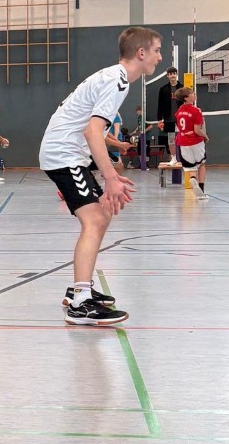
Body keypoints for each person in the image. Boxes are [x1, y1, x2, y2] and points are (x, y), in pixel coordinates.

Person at [39, 27, 163, 326]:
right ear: (141, 53)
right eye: (157, 50)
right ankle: (81, 303)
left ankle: (80, 288)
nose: (160, 57)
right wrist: (111, 177)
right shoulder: (117, 81)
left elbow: (89, 125)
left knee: (102, 215)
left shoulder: (113, 77)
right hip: (64, 154)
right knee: (94, 220)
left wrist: (115, 146)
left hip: (68, 152)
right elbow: (91, 131)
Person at [172, 87, 209, 200]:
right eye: (192, 93)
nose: (194, 94)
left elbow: (179, 127)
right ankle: (201, 190)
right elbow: (197, 130)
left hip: (182, 141)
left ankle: (193, 178)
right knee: (201, 164)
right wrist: (205, 136)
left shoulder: (179, 111)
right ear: (186, 98)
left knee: (190, 167)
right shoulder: (196, 111)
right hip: (195, 141)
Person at [153, 66, 180, 162]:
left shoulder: (182, 88)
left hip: (181, 118)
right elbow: (160, 105)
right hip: (169, 118)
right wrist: (159, 119)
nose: (172, 75)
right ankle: (173, 157)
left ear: (176, 74)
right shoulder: (163, 89)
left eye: (174, 73)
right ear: (167, 76)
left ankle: (182, 157)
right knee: (171, 138)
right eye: (170, 74)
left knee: (183, 137)